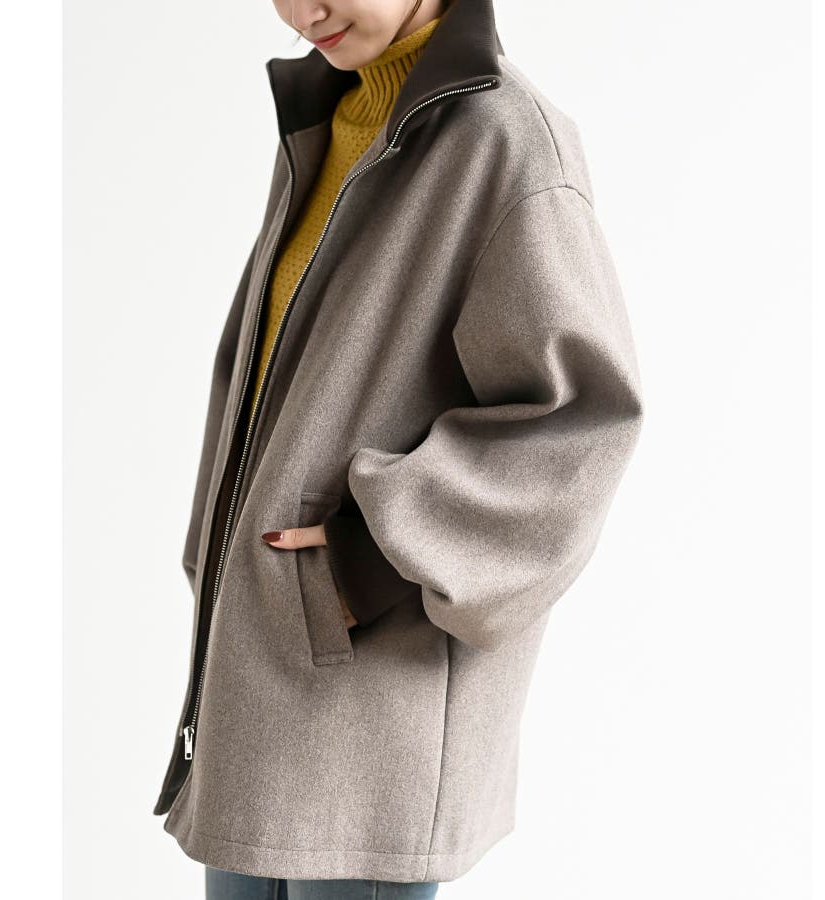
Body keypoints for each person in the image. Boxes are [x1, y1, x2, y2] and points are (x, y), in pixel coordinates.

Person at [153, 0, 644, 897]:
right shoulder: (332, 118)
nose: (304, 10)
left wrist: (367, 561)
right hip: (256, 683)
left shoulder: (505, 142)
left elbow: (582, 424)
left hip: (376, 710)